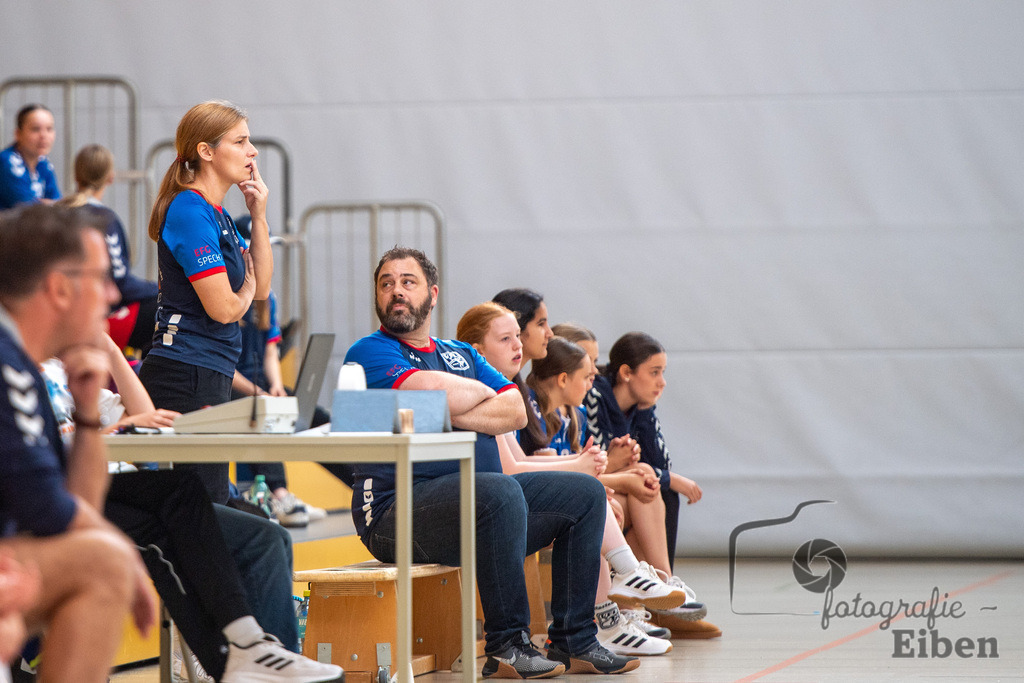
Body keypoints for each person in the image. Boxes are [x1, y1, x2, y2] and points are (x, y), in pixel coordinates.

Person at [346, 247, 639, 677]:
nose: (396, 292)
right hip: (395, 514)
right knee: (496, 487)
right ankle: (507, 644)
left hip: (482, 508)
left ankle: (574, 640)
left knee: (584, 494)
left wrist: (450, 406)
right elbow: (436, 392)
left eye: (407, 282)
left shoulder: (457, 354)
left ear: (432, 293)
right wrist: (471, 397)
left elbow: (516, 409)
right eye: (386, 284)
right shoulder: (369, 352)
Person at [41, 337, 345, 682]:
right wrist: (111, 429)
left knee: (266, 537)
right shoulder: (17, 372)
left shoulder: (66, 369)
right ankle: (233, 658)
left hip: (127, 486)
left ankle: (275, 661)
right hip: (79, 500)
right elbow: (38, 464)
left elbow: (145, 418)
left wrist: (110, 351)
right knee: (171, 519)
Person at [457, 304, 685, 657]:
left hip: (502, 504)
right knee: (588, 496)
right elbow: (507, 473)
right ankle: (615, 603)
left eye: (518, 336)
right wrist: (578, 466)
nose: (518, 346)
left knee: (597, 494)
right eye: (506, 339)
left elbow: (516, 462)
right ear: (477, 350)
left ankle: (622, 600)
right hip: (489, 513)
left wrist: (573, 462)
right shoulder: (483, 394)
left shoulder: (501, 391)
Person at [0, 203, 156, 682]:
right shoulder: (6, 364)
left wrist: (87, 412)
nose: (113, 295)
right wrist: (122, 554)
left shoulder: (24, 363)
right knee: (104, 564)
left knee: (98, 557)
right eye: (102, 278)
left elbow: (70, 509)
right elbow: (51, 513)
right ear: (59, 287)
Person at [138, 99, 273, 504]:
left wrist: (259, 214)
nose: (253, 152)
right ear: (206, 151)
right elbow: (226, 308)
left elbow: (262, 288)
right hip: (184, 375)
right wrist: (246, 289)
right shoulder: (188, 209)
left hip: (208, 372)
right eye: (241, 141)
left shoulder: (218, 214)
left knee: (227, 514)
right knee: (207, 516)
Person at [585, 331, 721, 639]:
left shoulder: (638, 407)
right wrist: (663, 477)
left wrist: (645, 414)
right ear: (626, 373)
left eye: (663, 373)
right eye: (655, 372)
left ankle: (653, 597)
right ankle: (661, 589)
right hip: (594, 488)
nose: (662, 382)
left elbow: (659, 461)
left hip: (611, 486)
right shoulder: (596, 396)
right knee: (649, 487)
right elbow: (599, 460)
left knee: (655, 487)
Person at [57, 144, 159, 357]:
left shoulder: (59, 212)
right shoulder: (103, 219)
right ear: (110, 177)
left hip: (57, 314)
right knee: (161, 308)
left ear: (76, 175)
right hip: (92, 322)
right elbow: (121, 284)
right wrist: (160, 289)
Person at [0, 105, 59, 211]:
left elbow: (59, 204)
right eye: (35, 129)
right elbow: (28, 210)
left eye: (49, 129)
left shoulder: (44, 163)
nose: (43, 135)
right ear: (18, 134)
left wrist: (47, 204)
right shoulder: (6, 162)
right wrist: (49, 204)